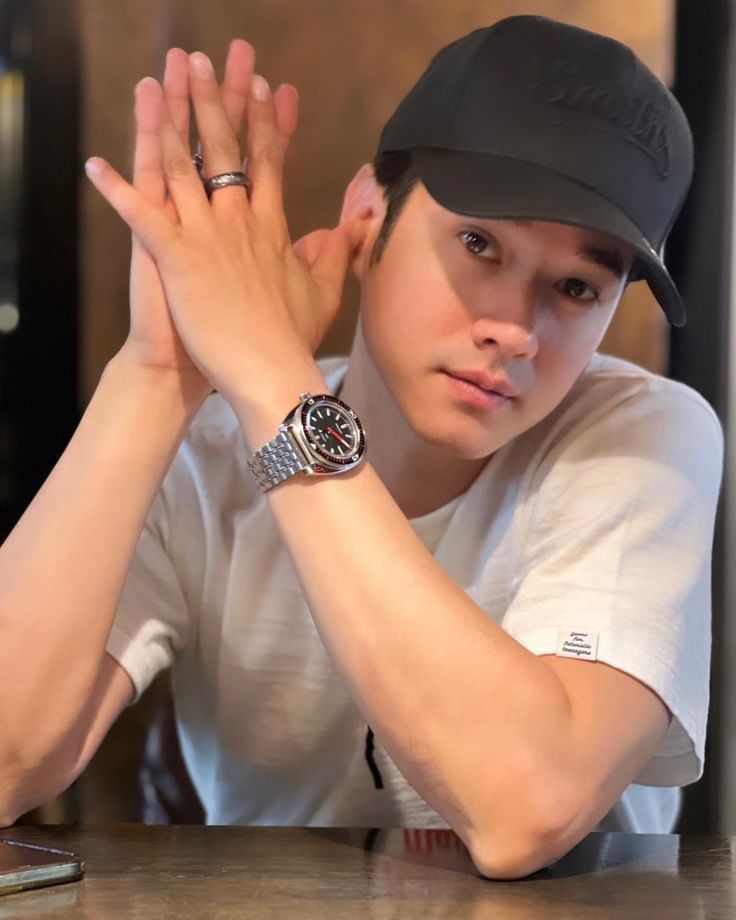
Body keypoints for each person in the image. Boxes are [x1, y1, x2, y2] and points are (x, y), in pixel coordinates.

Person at [0, 15, 723, 879]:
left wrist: (272, 376)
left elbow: (526, 808)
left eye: (575, 286)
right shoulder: (209, 447)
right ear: (367, 215)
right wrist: (159, 372)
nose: (515, 331)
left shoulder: (642, 435)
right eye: (479, 243)